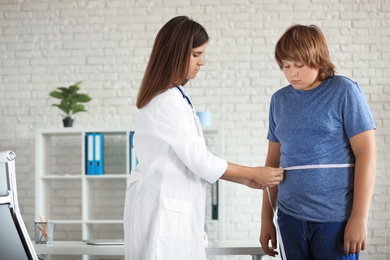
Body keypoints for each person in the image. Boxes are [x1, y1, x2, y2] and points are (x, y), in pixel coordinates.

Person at [123, 16, 284, 260]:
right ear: (177, 54)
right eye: (196, 54)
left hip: (170, 208)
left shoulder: (175, 97)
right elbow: (200, 160)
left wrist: (246, 179)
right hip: (162, 214)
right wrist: (252, 174)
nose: (202, 62)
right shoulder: (166, 103)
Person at [259, 24, 376, 260]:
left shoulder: (345, 91)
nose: (292, 73)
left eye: (299, 65)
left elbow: (367, 153)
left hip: (335, 220)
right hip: (289, 219)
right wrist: (266, 220)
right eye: (286, 66)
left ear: (317, 59)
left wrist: (359, 218)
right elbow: (272, 163)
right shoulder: (279, 101)